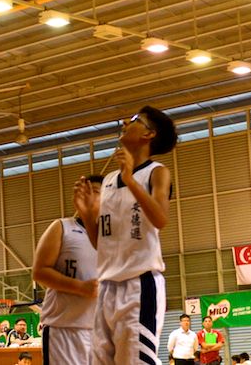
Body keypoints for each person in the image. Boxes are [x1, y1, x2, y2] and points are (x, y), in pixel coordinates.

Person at [73, 106, 178, 364]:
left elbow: (160, 218)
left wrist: (131, 180)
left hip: (139, 285)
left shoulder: (157, 172)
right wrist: (87, 215)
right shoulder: (109, 179)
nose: (124, 122)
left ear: (149, 134)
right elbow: (101, 243)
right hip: (106, 287)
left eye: (134, 120)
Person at [33, 175, 101, 364]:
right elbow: (39, 272)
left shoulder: (110, 235)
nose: (90, 196)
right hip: (63, 329)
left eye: (96, 192)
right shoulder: (62, 227)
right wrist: (80, 287)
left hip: (100, 331)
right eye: (87, 191)